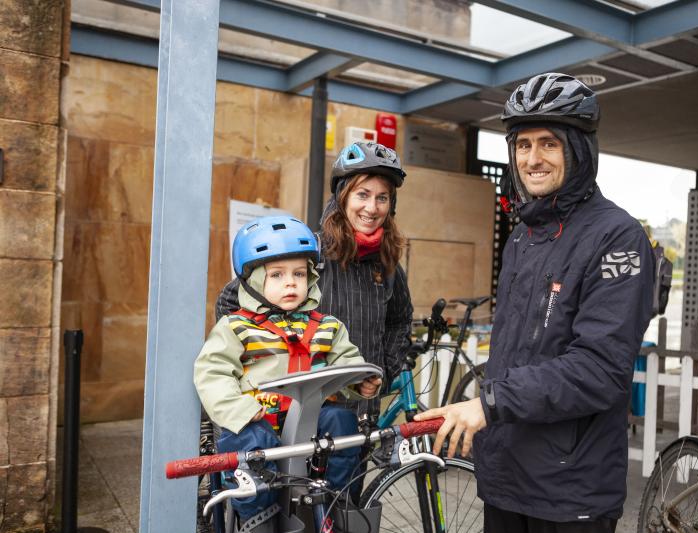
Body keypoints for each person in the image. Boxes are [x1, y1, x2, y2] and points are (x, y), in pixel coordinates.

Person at [416, 73, 655, 533]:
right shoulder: (523, 236)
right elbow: (518, 353)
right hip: (507, 477)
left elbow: (600, 369)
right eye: (522, 145)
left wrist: (490, 404)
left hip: (570, 490)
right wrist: (480, 408)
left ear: (579, 150)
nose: (532, 159)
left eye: (549, 143)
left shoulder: (616, 236)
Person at [195, 215, 381, 523]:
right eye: (277, 275)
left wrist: (359, 380)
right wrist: (238, 409)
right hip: (257, 419)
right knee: (254, 442)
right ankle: (260, 519)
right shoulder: (236, 327)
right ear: (254, 281)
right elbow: (212, 372)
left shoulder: (328, 327)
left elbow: (346, 361)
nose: (291, 282)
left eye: (299, 273)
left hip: (310, 419)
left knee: (341, 420)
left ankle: (331, 500)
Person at [215, 142, 414, 418]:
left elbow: (399, 321)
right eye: (363, 194)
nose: (372, 207)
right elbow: (231, 300)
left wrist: (381, 370)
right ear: (343, 197)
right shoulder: (308, 254)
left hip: (363, 410)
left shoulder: (388, 266)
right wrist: (261, 364)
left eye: (382, 198)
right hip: (301, 417)